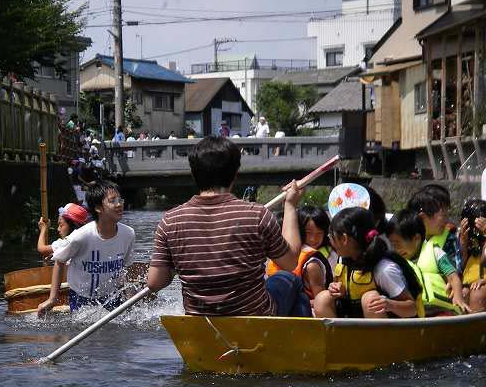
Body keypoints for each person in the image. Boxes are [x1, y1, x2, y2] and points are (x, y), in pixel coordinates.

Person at [147, 136, 311, 317]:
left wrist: (181, 263)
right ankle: (300, 343)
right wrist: (290, 206)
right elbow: (290, 262)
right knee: (290, 279)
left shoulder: (170, 221)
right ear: (235, 173)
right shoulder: (257, 215)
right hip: (255, 318)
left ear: (194, 174)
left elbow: (154, 282)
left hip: (202, 324)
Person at [38, 181, 135, 314]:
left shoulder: (128, 234)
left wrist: (130, 299)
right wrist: (52, 299)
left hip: (112, 296)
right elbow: (59, 261)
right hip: (81, 298)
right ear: (98, 208)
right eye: (113, 201)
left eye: (120, 200)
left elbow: (126, 267)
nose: (119, 204)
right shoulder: (81, 236)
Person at [313, 207, 423, 318]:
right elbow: (342, 287)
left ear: (344, 239)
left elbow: (412, 309)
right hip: (354, 322)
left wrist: (390, 305)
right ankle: (337, 335)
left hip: (388, 329)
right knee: (322, 299)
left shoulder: (383, 269)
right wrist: (337, 288)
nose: (329, 240)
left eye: (331, 236)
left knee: (370, 299)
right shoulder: (343, 259)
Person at [386, 209, 467, 314]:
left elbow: (453, 277)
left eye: (398, 244)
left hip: (441, 310)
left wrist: (458, 298)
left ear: (416, 239)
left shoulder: (435, 252)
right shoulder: (395, 263)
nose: (396, 249)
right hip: (415, 314)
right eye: (393, 245)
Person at [266, 205, 333, 302]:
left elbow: (321, 301)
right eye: (308, 233)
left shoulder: (313, 263)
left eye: (319, 233)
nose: (313, 239)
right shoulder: (275, 258)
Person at [407, 184, 462, 272]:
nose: (447, 220)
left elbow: (455, 273)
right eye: (443, 215)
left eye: (447, 214)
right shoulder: (408, 239)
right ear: (422, 217)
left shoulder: (450, 240)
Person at [459, 199, 486, 311]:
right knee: (463, 294)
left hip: (482, 282)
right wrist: (463, 243)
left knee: (477, 295)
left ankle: (477, 328)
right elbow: (462, 264)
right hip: (468, 282)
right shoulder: (470, 242)